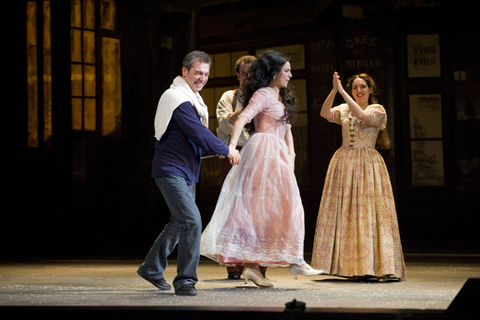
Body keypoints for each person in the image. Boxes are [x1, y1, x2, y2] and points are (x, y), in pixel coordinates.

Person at [200, 50, 322, 288]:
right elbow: (243, 119)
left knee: (282, 207)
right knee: (258, 208)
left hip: (278, 155)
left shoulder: (280, 96)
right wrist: (232, 148)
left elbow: (287, 131)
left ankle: (258, 267)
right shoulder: (264, 94)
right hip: (263, 151)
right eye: (286, 70)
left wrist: (292, 155)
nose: (290, 74)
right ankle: (293, 260)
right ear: (274, 72)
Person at [137, 50, 241, 296]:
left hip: (185, 171)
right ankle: (185, 280)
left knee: (178, 223)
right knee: (191, 221)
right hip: (170, 170)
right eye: (197, 72)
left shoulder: (192, 99)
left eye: (205, 73)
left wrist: (212, 150)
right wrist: (225, 149)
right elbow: (196, 132)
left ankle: (151, 267)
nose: (202, 78)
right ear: (184, 72)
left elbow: (192, 139)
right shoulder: (176, 98)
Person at [311, 72, 406, 281]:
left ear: (370, 90)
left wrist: (344, 93)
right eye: (355, 87)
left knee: (368, 214)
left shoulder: (377, 109)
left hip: (368, 165)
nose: (359, 91)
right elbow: (324, 113)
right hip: (345, 163)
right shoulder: (345, 108)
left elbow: (362, 117)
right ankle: (349, 266)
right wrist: (335, 91)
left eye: (362, 87)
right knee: (347, 213)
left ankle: (375, 266)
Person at [216, 55, 267, 280]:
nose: (247, 77)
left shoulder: (264, 95)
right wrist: (245, 108)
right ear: (237, 75)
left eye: (251, 72)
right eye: (243, 73)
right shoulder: (229, 96)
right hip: (234, 155)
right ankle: (233, 262)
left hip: (259, 156)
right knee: (233, 210)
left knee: (258, 211)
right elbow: (223, 124)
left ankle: (257, 262)